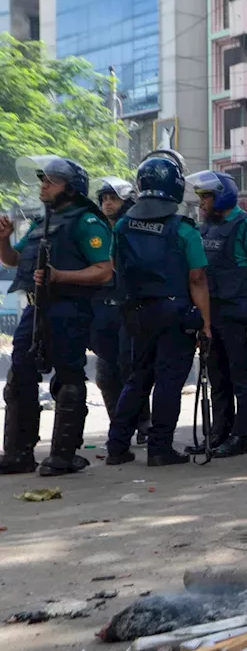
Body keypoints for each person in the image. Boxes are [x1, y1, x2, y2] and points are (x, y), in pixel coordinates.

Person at [0, 158, 114, 476]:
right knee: (18, 378)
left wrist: (59, 276)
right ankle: (18, 453)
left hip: (68, 309)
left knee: (67, 379)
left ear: (71, 188)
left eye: (51, 180)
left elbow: (105, 270)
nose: (43, 185)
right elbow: (13, 259)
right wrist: (4, 238)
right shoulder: (42, 223)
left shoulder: (86, 221)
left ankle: (63, 455)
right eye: (42, 180)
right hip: (34, 309)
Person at [104, 154, 212, 466]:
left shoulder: (123, 226)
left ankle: (116, 446)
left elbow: (114, 266)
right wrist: (205, 322)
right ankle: (160, 448)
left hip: (137, 313)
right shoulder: (184, 229)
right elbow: (198, 278)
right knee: (168, 381)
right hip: (175, 312)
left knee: (138, 378)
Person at [187, 170, 247, 458]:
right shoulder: (205, 228)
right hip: (211, 313)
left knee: (241, 376)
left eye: (206, 196)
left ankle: (240, 436)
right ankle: (218, 432)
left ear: (222, 195)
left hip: (237, 312)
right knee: (217, 376)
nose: (202, 203)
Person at [89, 176, 150, 441]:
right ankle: (119, 426)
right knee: (105, 373)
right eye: (103, 199)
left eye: (113, 198)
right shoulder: (94, 229)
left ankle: (144, 422)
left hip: (130, 307)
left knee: (132, 368)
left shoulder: (136, 230)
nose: (107, 203)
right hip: (102, 309)